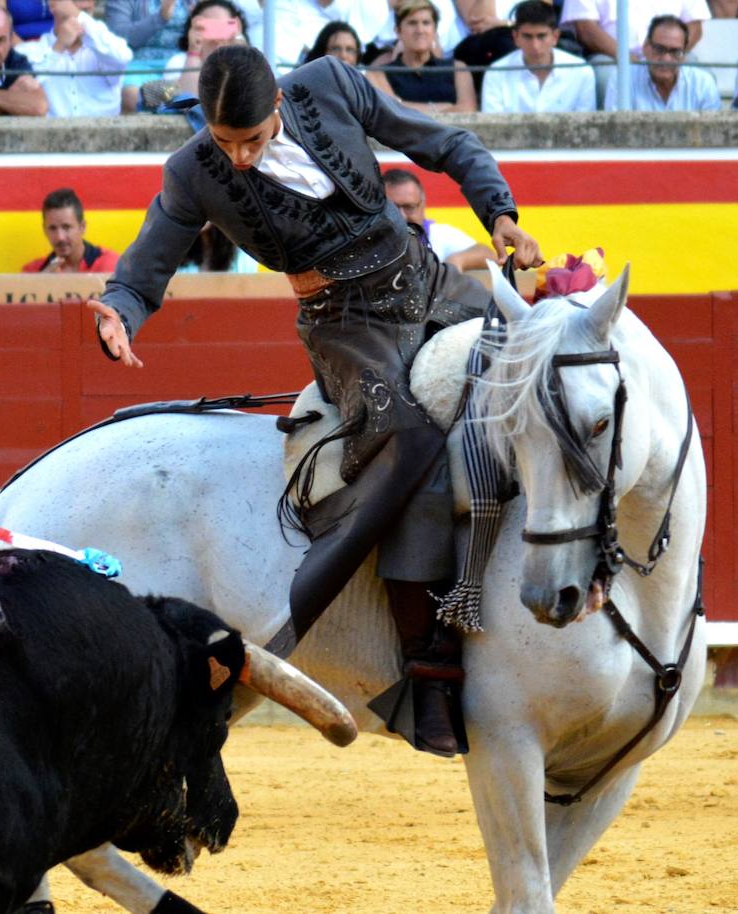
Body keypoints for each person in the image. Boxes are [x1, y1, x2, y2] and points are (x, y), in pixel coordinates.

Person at [88, 45, 542, 758]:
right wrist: (120, 308)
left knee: (541, 384)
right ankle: (427, 675)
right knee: (411, 444)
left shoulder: (330, 84)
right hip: (346, 328)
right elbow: (149, 264)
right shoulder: (192, 172)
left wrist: (500, 214)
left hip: (429, 284)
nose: (236, 158)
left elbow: (446, 143)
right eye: (222, 141)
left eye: (251, 140)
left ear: (277, 109)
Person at [559, 0, 709, 107]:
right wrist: (627, 58)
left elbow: (695, 26)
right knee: (606, 75)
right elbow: (585, 29)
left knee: (700, 74)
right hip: (611, 56)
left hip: (670, 54)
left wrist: (673, 53)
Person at [19, 0, 130, 117]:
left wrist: (78, 14)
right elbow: (25, 89)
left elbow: (124, 57)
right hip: (50, 133)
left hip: (106, 133)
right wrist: (58, 48)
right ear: (53, 5)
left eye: (85, 12)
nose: (79, 17)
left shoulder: (105, 46)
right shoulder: (28, 51)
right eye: (74, 4)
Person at [481, 0, 594, 113]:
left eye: (541, 36)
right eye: (527, 37)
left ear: (555, 36)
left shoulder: (581, 71)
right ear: (515, 37)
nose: (535, 46)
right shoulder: (496, 73)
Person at [366, 0, 476, 113]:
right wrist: (442, 107)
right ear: (398, 31)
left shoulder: (458, 69)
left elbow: (468, 110)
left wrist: (403, 105)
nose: (420, 30)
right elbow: (391, 112)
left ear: (434, 31)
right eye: (412, 23)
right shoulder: (378, 74)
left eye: (426, 23)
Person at [383, 169, 495, 272]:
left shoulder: (440, 234)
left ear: (423, 203)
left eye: (409, 207)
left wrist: (459, 260)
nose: (402, 216)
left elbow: (490, 255)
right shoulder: (368, 240)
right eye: (393, 209)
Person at [604, 13, 720, 111]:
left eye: (675, 52)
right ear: (645, 47)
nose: (666, 59)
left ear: (684, 55)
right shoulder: (622, 79)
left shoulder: (703, 84)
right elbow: (616, 134)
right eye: (659, 49)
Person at [22, 189, 121, 273]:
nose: (60, 237)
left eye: (66, 227)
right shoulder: (33, 272)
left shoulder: (111, 266)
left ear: (82, 227)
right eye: (52, 228)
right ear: (45, 230)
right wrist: (39, 284)